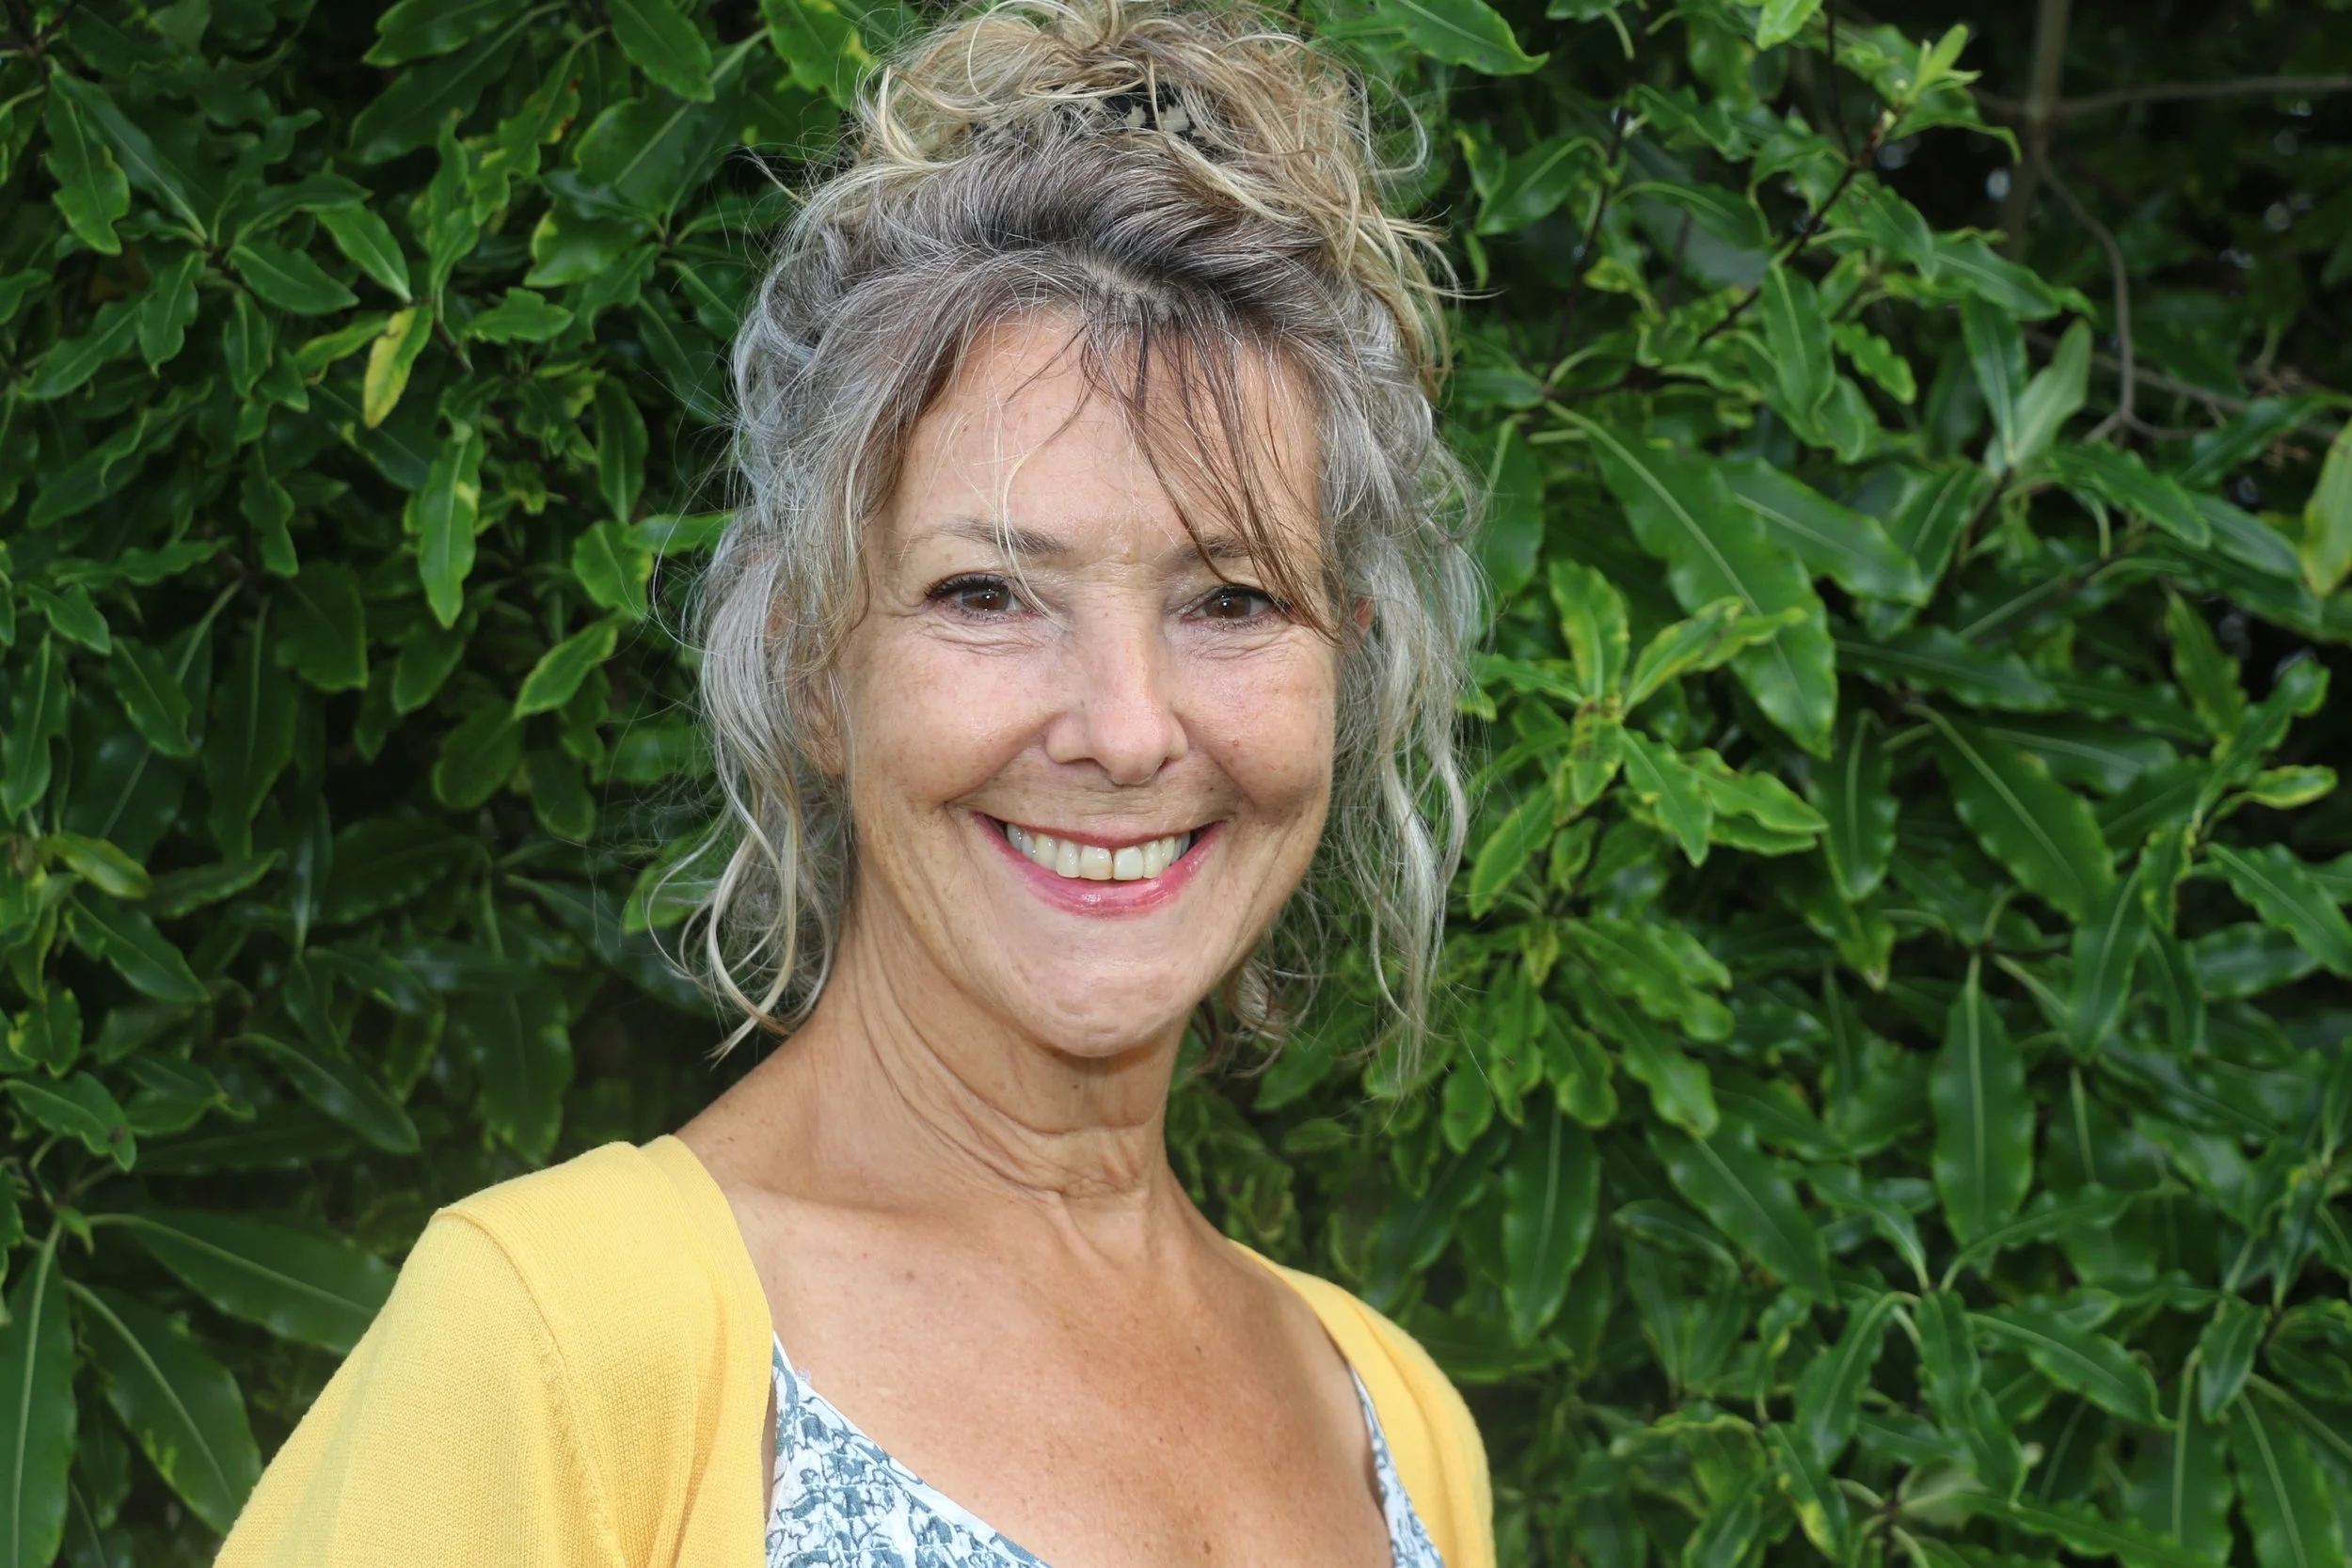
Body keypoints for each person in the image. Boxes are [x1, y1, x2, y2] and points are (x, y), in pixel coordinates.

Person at [217, 0, 1488, 1561]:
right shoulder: (560, 1336)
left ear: (1344, 670)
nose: (1129, 726)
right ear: (817, 659)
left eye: (1231, 599)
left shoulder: (1400, 1418)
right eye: (988, 593)